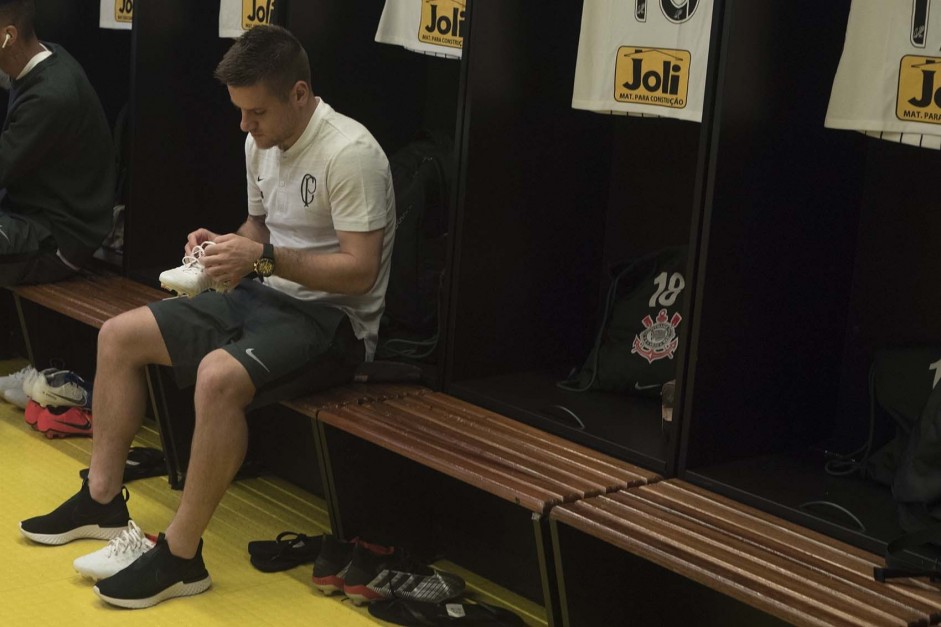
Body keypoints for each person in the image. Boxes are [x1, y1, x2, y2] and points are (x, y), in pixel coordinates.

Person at [18, 24, 396, 608]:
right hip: (263, 294)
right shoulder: (259, 142)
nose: (245, 126)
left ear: (300, 94)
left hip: (332, 323)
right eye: (240, 112)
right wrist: (223, 248)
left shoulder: (352, 153)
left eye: (256, 112)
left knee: (219, 379)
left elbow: (360, 271)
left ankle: (181, 556)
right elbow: (259, 229)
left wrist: (261, 259)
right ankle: (100, 500)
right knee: (119, 335)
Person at [0, 0, 115, 283]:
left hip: (57, 238)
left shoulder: (50, 96)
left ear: (8, 37)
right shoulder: (45, 56)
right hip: (30, 213)